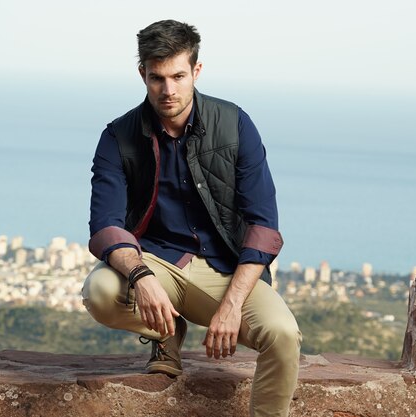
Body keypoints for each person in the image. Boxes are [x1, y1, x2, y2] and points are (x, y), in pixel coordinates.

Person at [82, 19, 302, 417]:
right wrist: (141, 278)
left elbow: (264, 226)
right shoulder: (118, 135)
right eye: (157, 78)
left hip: (222, 269)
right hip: (154, 261)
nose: (168, 90)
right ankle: (168, 328)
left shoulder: (234, 124)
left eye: (178, 76)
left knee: (284, 335)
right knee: (98, 291)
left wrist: (233, 304)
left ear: (196, 71)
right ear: (142, 75)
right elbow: (106, 225)